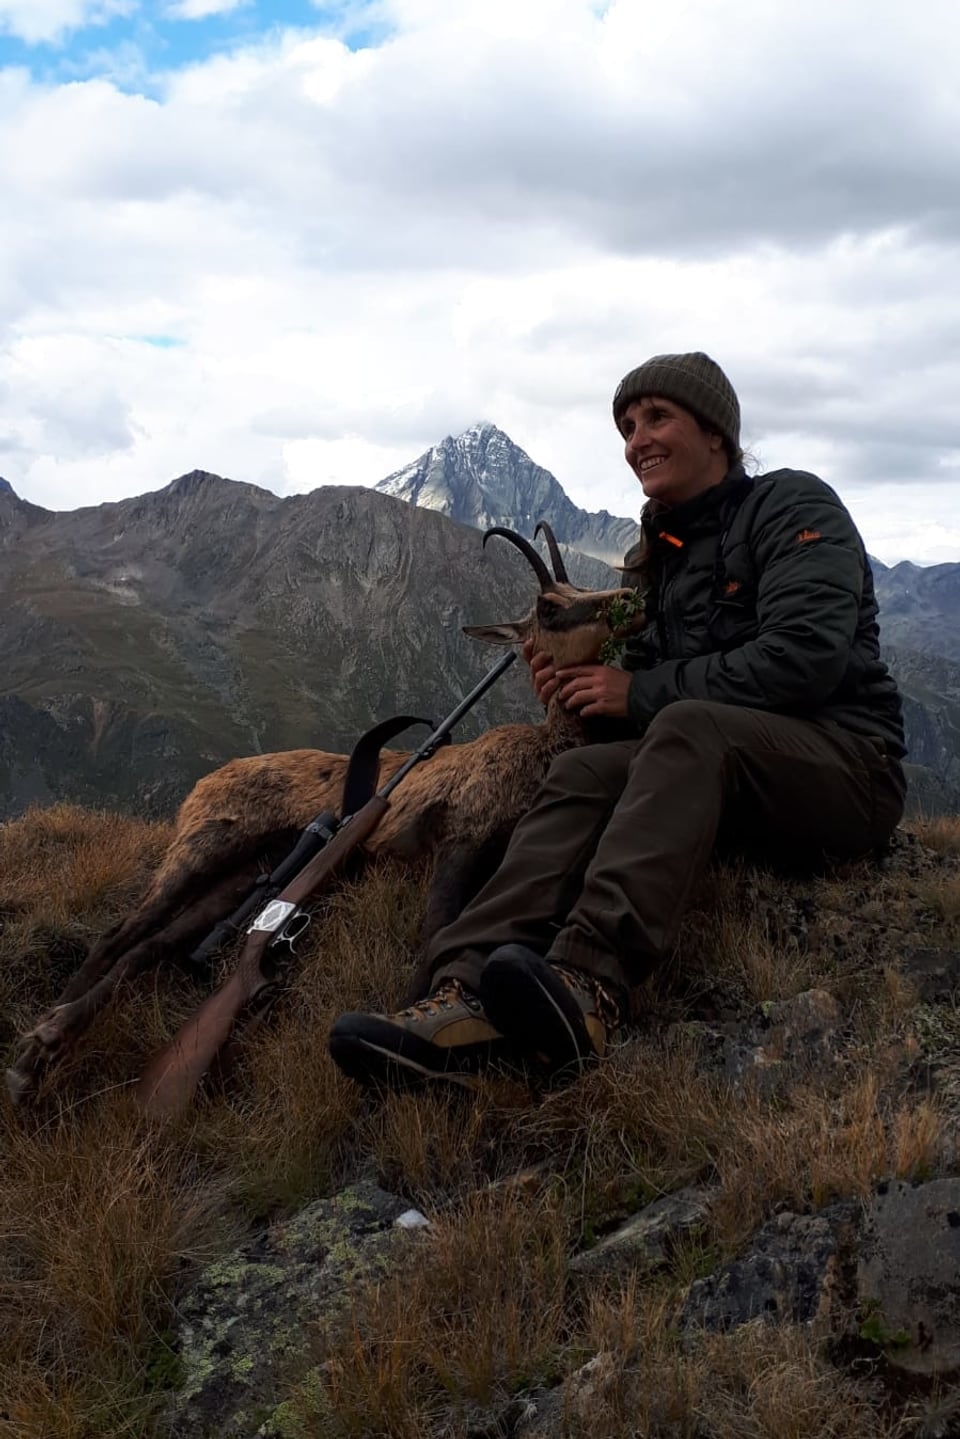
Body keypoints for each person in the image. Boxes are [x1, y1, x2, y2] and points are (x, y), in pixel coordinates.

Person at [328, 351, 906, 1088]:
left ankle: (588, 986)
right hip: (722, 772)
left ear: (717, 434)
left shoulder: (792, 506)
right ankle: (460, 995)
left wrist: (634, 691)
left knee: (690, 724)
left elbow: (806, 656)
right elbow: (649, 731)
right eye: (627, 427)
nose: (637, 439)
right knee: (580, 769)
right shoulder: (653, 557)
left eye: (657, 418)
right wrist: (580, 700)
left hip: (848, 764)